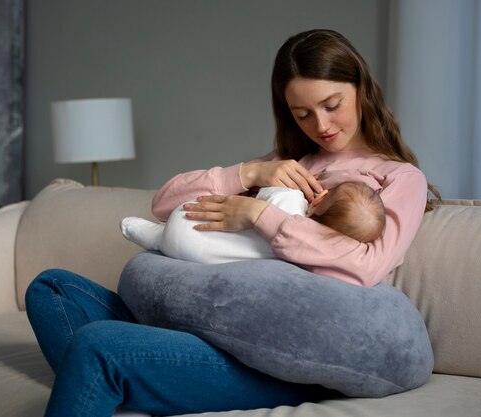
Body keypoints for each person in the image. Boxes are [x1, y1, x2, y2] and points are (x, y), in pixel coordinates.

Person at [25, 29, 440, 417]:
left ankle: (127, 374)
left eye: (332, 105)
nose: (322, 126)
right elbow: (162, 205)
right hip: (213, 313)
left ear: (361, 89)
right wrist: (247, 175)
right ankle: (136, 380)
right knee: (52, 289)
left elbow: (368, 264)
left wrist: (261, 214)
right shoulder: (291, 161)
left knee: (97, 347)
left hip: (285, 351)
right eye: (303, 114)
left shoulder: (399, 178)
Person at [120, 180, 386, 264]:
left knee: (161, 235)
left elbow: (256, 196)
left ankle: (154, 235)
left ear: (320, 198)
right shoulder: (303, 255)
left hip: (190, 217)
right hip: (195, 256)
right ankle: (158, 238)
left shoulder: (290, 197)